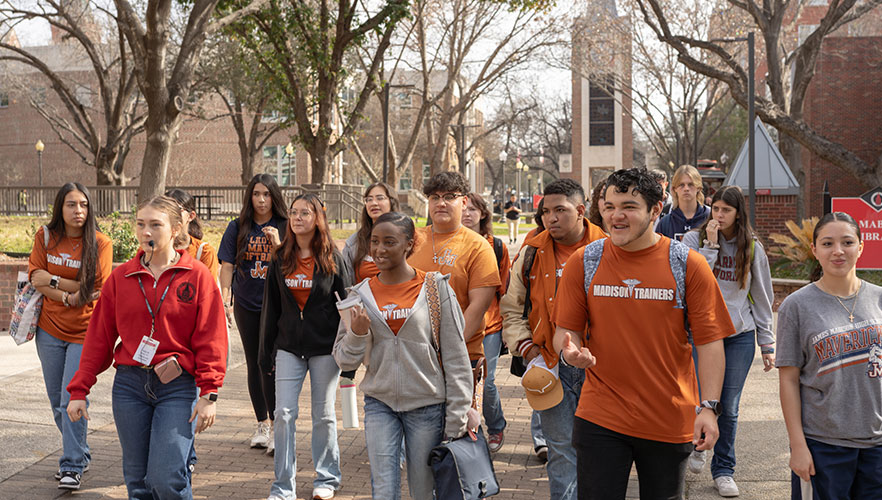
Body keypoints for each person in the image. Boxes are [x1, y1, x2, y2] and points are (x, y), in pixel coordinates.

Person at [551, 167, 732, 499]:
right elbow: (565, 331)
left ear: (655, 210)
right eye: (609, 206)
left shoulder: (688, 265)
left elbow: (709, 342)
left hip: (668, 417)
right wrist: (570, 352)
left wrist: (709, 407)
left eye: (629, 207)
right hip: (600, 415)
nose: (616, 216)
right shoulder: (585, 261)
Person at [66, 195, 227, 499]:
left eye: (155, 224)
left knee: (167, 478)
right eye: (141, 224)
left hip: (177, 386)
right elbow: (98, 339)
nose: (146, 232)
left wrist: (209, 393)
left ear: (176, 228)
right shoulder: (121, 278)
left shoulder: (197, 276)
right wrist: (79, 391)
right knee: (138, 482)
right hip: (130, 385)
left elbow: (212, 339)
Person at [333, 212, 472, 500]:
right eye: (374, 241)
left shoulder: (435, 289)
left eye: (389, 242)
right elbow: (344, 360)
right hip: (379, 403)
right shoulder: (358, 295)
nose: (379, 250)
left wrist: (457, 416)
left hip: (427, 405)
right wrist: (357, 334)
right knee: (383, 489)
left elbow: (457, 358)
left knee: (422, 490)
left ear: (409, 245)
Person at [501, 178, 606, 500]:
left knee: (601, 452)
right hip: (550, 366)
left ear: (581, 210)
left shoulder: (608, 246)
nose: (551, 218)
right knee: (561, 451)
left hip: (601, 369)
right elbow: (511, 307)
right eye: (545, 211)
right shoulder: (532, 250)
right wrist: (527, 348)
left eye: (560, 210)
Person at [777, 212, 882, 500]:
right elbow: (788, 380)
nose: (838, 251)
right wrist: (797, 445)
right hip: (823, 446)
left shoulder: (878, 298)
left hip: (877, 445)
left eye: (847, 242)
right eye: (827, 243)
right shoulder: (796, 306)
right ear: (814, 250)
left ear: (860, 247)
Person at [682, 186, 776, 497]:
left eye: (726, 210)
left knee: (730, 407)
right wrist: (710, 246)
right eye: (715, 208)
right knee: (699, 401)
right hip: (702, 334)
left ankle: (724, 470)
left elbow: (762, 298)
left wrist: (767, 343)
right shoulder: (693, 240)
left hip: (739, 335)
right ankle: (697, 448)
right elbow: (691, 282)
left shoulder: (752, 248)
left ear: (738, 214)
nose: (719, 215)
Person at [259, 193, 351, 500]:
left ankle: (326, 478)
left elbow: (347, 306)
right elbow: (271, 308)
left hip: (324, 348)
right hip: (287, 347)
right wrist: (266, 352)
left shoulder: (332, 258)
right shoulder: (280, 257)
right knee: (283, 413)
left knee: (323, 414)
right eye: (294, 213)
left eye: (306, 213)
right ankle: (283, 487)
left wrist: (348, 355)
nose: (298, 218)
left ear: (318, 219)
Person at [28, 183, 112, 490]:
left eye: (84, 205)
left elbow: (98, 288)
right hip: (48, 330)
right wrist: (70, 292)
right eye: (71, 205)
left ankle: (72, 465)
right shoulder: (46, 237)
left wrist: (54, 281)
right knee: (56, 401)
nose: (78, 211)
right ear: (59, 209)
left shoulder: (100, 243)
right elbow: (35, 278)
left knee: (71, 399)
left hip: (84, 332)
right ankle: (81, 452)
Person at [218, 174, 287, 453]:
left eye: (267, 194)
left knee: (270, 362)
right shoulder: (237, 227)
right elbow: (226, 266)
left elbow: (291, 262)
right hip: (247, 303)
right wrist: (226, 299)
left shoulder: (285, 225)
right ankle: (263, 424)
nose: (261, 200)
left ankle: (277, 425)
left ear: (274, 197)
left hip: (277, 305)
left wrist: (277, 245)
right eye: (256, 194)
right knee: (254, 363)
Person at [408, 171, 501, 364]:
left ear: (464, 202)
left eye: (449, 197)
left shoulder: (478, 247)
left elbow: (477, 309)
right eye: (435, 197)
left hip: (461, 357)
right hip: (413, 356)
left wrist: (444, 350)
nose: (441, 203)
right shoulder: (411, 240)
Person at [462, 193, 510, 452]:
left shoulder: (497, 246)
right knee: (461, 381)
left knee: (485, 382)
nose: (467, 214)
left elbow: (506, 290)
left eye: (473, 209)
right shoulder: (452, 244)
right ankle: (469, 431)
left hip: (490, 325)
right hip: (457, 325)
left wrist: (506, 329)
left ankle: (496, 426)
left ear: (483, 214)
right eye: (464, 208)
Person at [342, 182, 400, 282]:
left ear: (391, 202)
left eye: (380, 198)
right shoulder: (353, 243)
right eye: (369, 199)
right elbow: (346, 283)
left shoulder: (406, 238)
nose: (374, 203)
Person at [166, 188, 220, 281]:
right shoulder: (150, 250)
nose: (170, 214)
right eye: (165, 210)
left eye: (177, 209)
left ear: (191, 216)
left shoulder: (205, 252)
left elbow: (208, 291)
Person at [656, 164, 709, 240]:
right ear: (674, 189)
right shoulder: (665, 222)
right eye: (681, 185)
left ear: (698, 188)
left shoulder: (709, 217)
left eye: (691, 184)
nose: (686, 189)